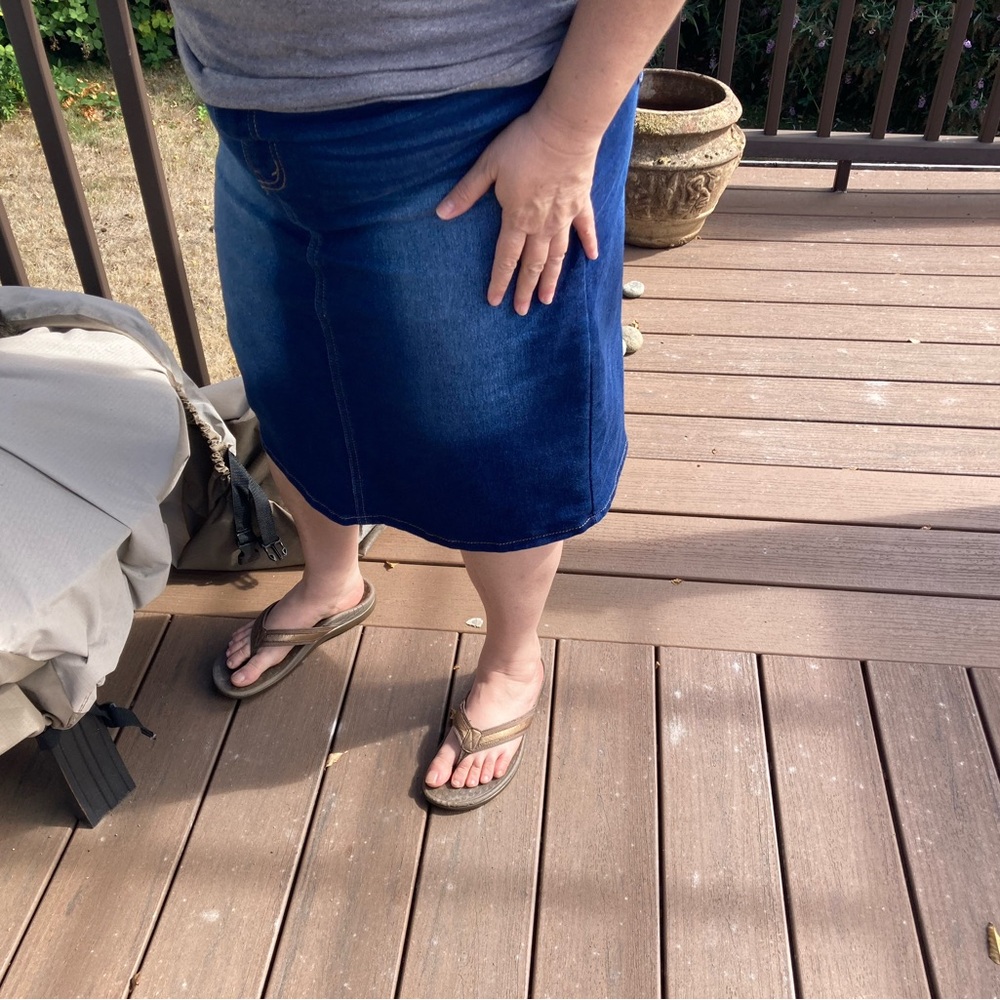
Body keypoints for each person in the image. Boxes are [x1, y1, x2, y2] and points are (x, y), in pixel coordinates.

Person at [169, 0, 685, 810]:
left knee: (498, 434)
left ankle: (514, 658)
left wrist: (566, 131)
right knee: (294, 386)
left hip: (483, 119)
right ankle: (332, 583)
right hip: (257, 122)